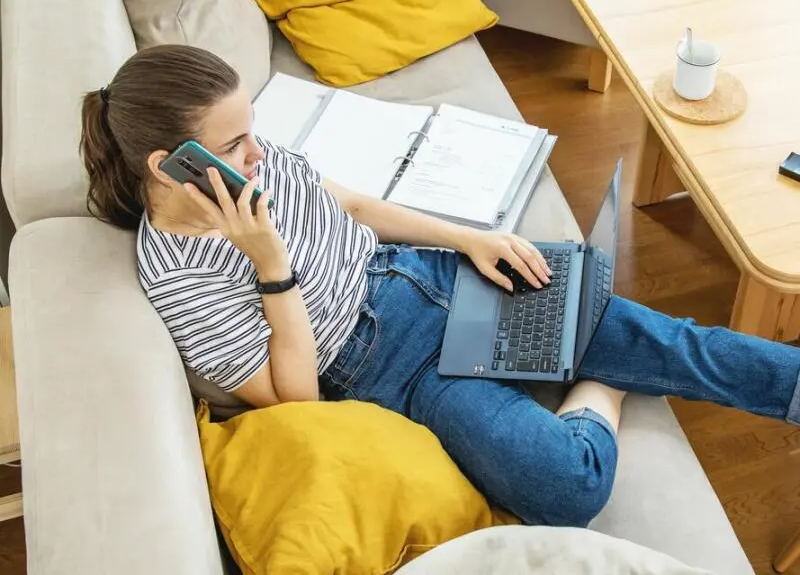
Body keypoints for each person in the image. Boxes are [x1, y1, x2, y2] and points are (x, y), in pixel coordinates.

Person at [80, 45, 800, 528]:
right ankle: (604, 383)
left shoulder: (257, 167)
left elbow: (354, 206)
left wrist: (469, 238)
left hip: (424, 276)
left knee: (677, 342)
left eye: (252, 132)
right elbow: (298, 400)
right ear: (171, 165)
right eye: (236, 144)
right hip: (388, 374)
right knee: (567, 489)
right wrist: (271, 265)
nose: (258, 153)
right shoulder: (177, 279)